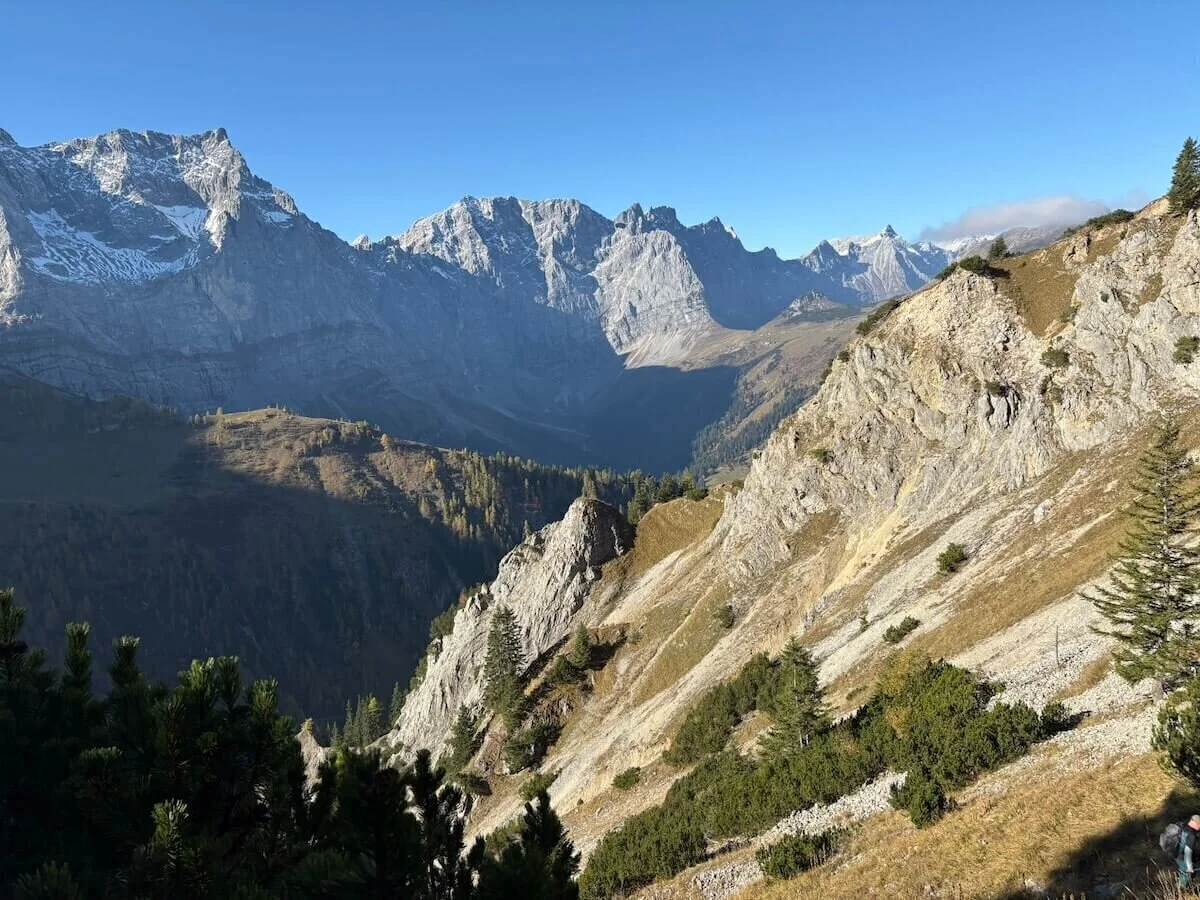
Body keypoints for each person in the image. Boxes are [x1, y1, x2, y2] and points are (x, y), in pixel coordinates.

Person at [1180, 815, 1200, 889]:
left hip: (1181, 855)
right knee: (1186, 874)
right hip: (1182, 857)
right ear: (1196, 823)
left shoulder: (1185, 826)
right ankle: (1180, 891)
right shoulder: (1191, 834)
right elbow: (1188, 852)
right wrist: (1189, 867)